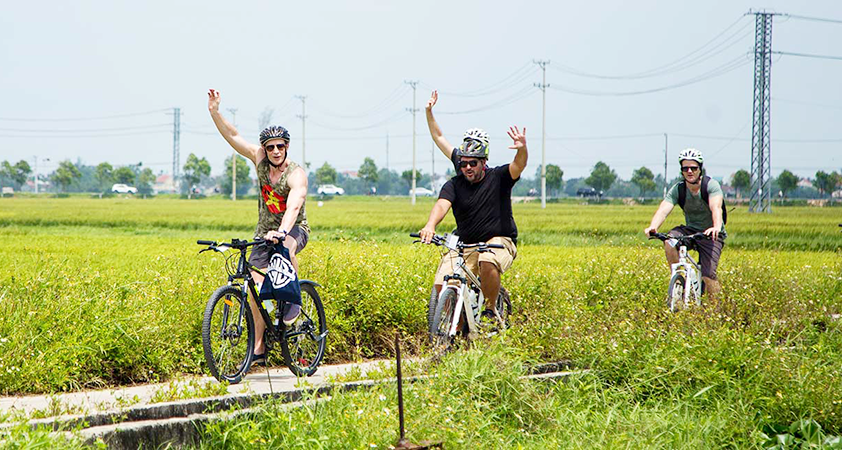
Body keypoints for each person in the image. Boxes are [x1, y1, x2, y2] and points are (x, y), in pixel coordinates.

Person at [208, 89, 310, 366]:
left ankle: (293, 299)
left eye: (280, 146)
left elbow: (294, 205)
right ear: (264, 148)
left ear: (286, 147)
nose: (275, 151)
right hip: (263, 232)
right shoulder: (260, 160)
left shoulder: (296, 173)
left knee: (286, 249)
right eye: (270, 147)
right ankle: (259, 348)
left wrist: (283, 231)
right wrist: (215, 112)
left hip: (294, 229)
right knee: (255, 286)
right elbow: (233, 136)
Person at [419, 90, 527, 324]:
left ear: (484, 162)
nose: (467, 167)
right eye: (463, 163)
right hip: (465, 243)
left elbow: (518, 166)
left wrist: (521, 148)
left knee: (487, 259)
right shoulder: (455, 183)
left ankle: (489, 311)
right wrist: (429, 225)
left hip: (499, 240)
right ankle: (452, 333)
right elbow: (441, 204)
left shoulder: (498, 177)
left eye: (473, 164)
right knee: (443, 282)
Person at [644, 148, 726, 298]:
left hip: (711, 233)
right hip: (691, 230)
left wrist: (716, 227)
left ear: (700, 169)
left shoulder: (710, 186)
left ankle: (717, 311)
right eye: (685, 168)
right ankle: (679, 282)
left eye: (693, 168)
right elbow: (664, 209)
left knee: (708, 276)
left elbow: (716, 208)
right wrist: (653, 226)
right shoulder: (678, 189)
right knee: (669, 241)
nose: (689, 171)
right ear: (681, 170)